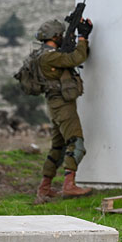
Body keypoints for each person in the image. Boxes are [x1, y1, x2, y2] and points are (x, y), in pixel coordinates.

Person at [34, 18, 94, 203]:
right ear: (55, 36)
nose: (62, 37)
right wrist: (82, 37)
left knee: (58, 147)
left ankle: (44, 188)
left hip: (56, 105)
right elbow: (77, 58)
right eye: (60, 35)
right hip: (62, 105)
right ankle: (69, 185)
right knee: (76, 142)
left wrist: (81, 40)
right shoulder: (49, 56)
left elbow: (71, 57)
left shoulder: (45, 54)